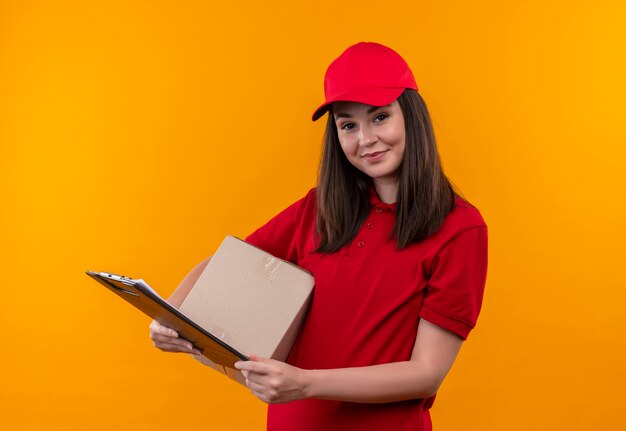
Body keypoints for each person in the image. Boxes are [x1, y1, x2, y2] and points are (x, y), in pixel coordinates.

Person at [149, 42, 488, 431]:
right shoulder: (317, 208)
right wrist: (170, 315)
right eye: (348, 125)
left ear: (412, 115)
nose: (365, 139)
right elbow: (228, 263)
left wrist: (307, 383)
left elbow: (426, 372)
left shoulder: (460, 229)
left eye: (380, 117)